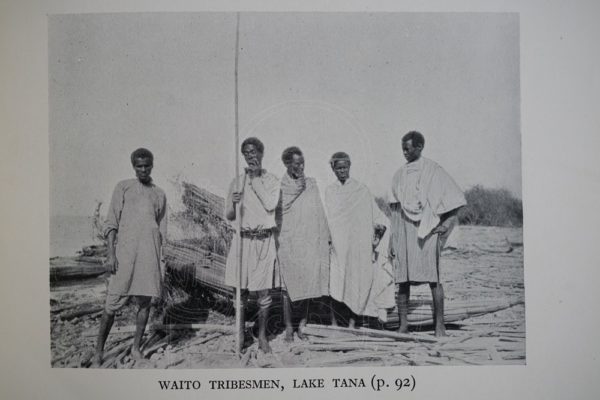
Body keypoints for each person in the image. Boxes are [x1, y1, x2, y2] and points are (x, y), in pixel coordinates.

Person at [91, 148, 167, 367]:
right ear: (133, 167)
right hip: (125, 255)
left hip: (149, 256)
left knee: (145, 303)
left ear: (152, 165)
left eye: (147, 165)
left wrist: (161, 262)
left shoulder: (159, 194)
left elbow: (161, 230)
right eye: (139, 166)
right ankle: (98, 351)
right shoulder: (123, 187)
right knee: (112, 304)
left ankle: (135, 348)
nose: (143, 169)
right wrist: (111, 254)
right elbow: (111, 223)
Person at [388, 131, 466, 336]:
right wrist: (394, 238)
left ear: (420, 147)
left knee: (434, 278)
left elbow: (455, 199)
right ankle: (403, 325)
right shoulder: (399, 175)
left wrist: (447, 223)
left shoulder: (434, 171)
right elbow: (395, 208)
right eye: (402, 148)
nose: (404, 152)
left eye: (408, 148)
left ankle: (439, 325)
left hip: (428, 229)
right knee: (403, 280)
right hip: (404, 229)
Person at [224, 137, 280, 353]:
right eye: (246, 152)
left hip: (263, 241)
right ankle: (239, 334)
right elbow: (229, 215)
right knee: (240, 292)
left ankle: (263, 336)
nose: (250, 156)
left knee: (263, 294)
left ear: (261, 154)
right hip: (242, 241)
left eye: (254, 151)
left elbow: (270, 204)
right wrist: (234, 202)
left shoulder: (272, 180)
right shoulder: (236, 182)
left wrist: (255, 180)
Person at [324, 152, 392, 328]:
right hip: (338, 247)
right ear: (333, 169)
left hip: (357, 247)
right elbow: (332, 219)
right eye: (338, 168)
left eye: (345, 167)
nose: (342, 171)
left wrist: (376, 236)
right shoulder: (330, 191)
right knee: (336, 283)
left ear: (349, 167)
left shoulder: (361, 190)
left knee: (356, 282)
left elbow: (375, 216)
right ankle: (334, 324)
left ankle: (353, 324)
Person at [276, 146, 330, 341]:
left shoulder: (311, 184)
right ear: (287, 164)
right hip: (288, 240)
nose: (301, 167)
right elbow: (279, 213)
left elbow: (318, 213)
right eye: (297, 163)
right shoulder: (280, 186)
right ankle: (289, 327)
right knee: (287, 287)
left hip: (307, 240)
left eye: (303, 163)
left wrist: (323, 236)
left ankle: (302, 325)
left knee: (308, 281)